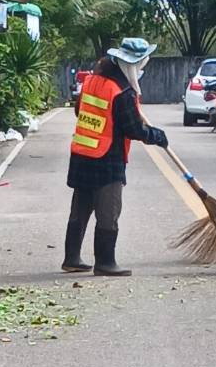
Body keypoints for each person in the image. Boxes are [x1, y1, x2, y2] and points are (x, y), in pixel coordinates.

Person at [63, 36, 169, 277]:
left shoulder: (92, 80)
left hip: (82, 153)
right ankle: (105, 262)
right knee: (108, 211)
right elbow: (133, 129)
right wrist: (157, 135)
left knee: (80, 208)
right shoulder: (121, 92)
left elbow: (80, 110)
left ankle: (71, 258)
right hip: (107, 158)